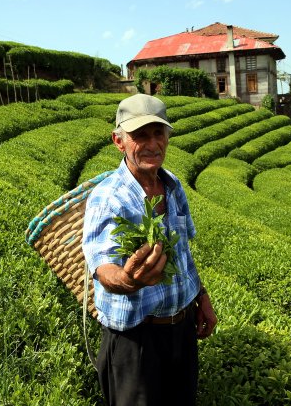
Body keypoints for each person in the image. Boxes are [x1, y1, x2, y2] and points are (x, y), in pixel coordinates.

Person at [82, 93, 217, 405]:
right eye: (140, 135)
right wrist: (130, 280)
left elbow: (182, 252)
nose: (152, 143)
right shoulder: (109, 197)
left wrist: (202, 297)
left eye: (159, 133)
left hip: (180, 331)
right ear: (119, 141)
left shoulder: (172, 185)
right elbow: (103, 266)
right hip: (135, 340)